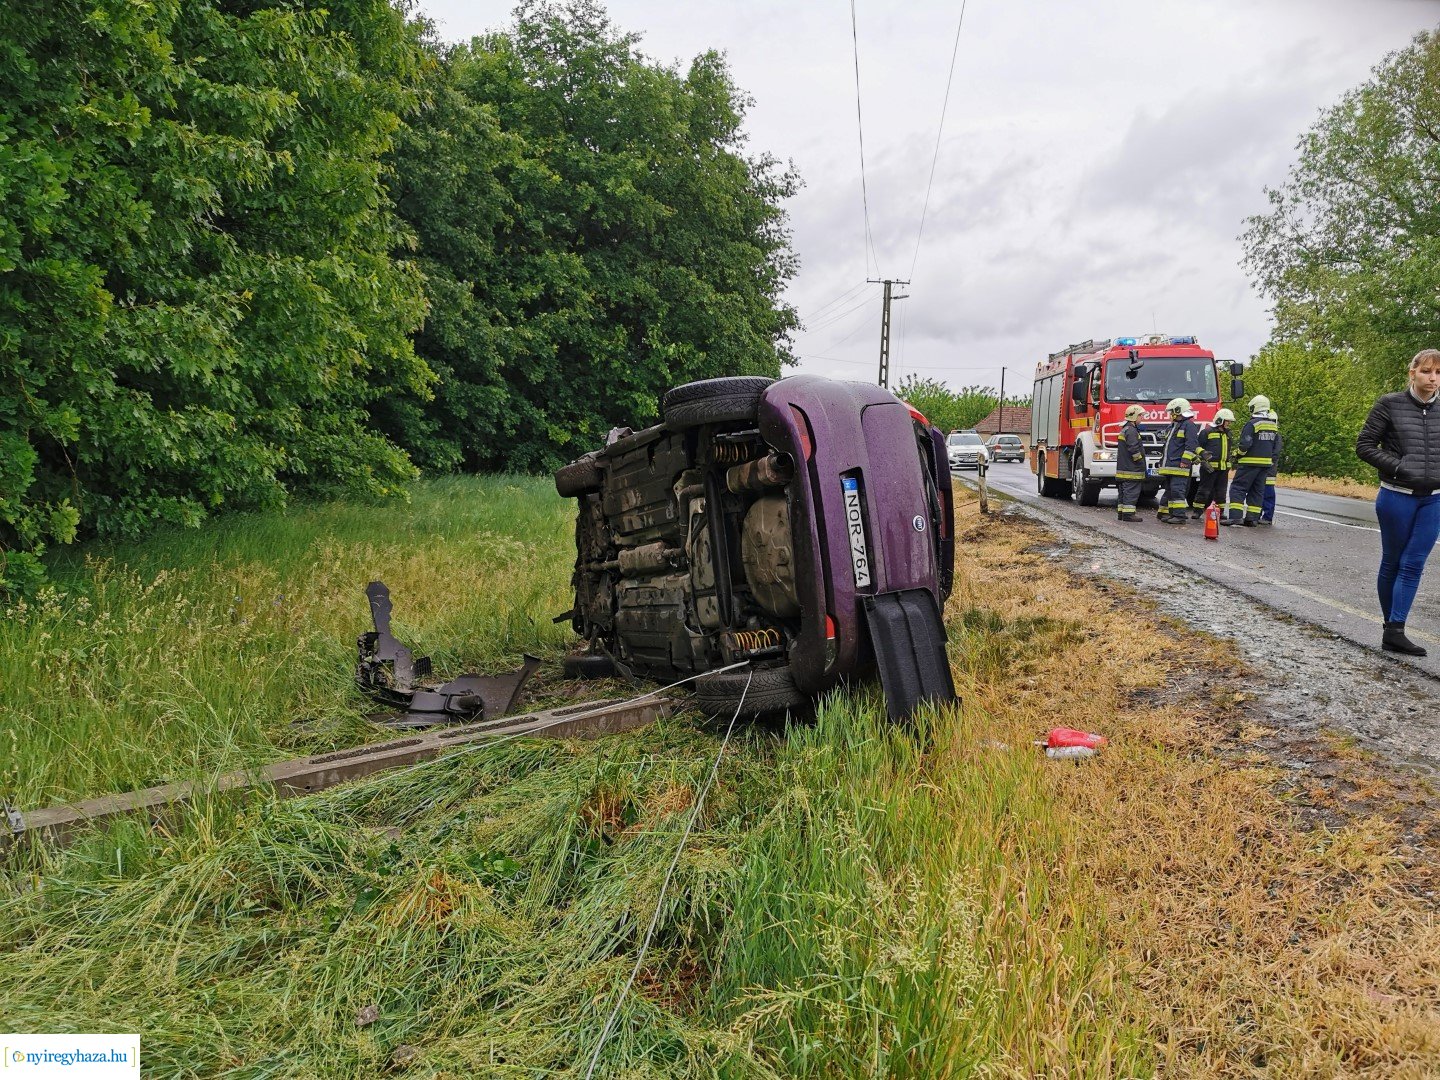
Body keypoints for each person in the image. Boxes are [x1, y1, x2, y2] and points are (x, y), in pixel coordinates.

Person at [1356, 348, 1440, 657]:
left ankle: (1395, 629)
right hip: (1395, 496)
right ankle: (1391, 629)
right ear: (1413, 373)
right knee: (1393, 561)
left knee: (1414, 562)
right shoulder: (1389, 404)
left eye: (1438, 373)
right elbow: (1364, 446)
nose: (1433, 378)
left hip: (1434, 500)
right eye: (1427, 371)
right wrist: (1399, 466)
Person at [1228, 396, 1281, 527]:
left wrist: (1237, 454)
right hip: (1265, 465)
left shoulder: (1252, 424)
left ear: (1255, 407)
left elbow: (1245, 444)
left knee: (1237, 488)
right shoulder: (1273, 426)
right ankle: (1252, 519)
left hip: (1249, 463)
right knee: (1257, 491)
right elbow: (1275, 446)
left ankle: (1235, 517)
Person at [1156, 397, 1199, 524]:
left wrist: (1185, 461)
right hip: (1171, 466)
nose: (1170, 415)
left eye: (1172, 412)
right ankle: (1168, 513)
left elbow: (1191, 445)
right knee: (1170, 491)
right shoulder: (1174, 426)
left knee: (1177, 491)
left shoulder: (1189, 425)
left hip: (1179, 466)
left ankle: (1179, 516)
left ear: (1178, 411)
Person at [1196, 407, 1235, 521]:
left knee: (1221, 492)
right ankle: (1197, 511)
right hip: (1209, 468)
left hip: (1223, 469)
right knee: (1204, 490)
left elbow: (1228, 450)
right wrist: (1204, 463)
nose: (1229, 424)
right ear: (1220, 420)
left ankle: (1220, 512)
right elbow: (1198, 448)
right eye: (1227, 421)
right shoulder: (1206, 432)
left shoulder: (1228, 434)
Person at [1115, 403, 1147, 522]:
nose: (1141, 418)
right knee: (1131, 491)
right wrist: (1140, 462)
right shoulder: (1132, 431)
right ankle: (1128, 515)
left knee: (1123, 492)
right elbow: (1134, 449)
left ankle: (1122, 513)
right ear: (1134, 417)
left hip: (1124, 468)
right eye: (1140, 416)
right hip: (1131, 469)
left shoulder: (1125, 429)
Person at [1260, 406, 1280, 524]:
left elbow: (1275, 453)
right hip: (1262, 469)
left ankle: (1267, 517)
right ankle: (1258, 515)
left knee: (1268, 494)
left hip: (1269, 470)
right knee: (1259, 493)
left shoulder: (1276, 435)